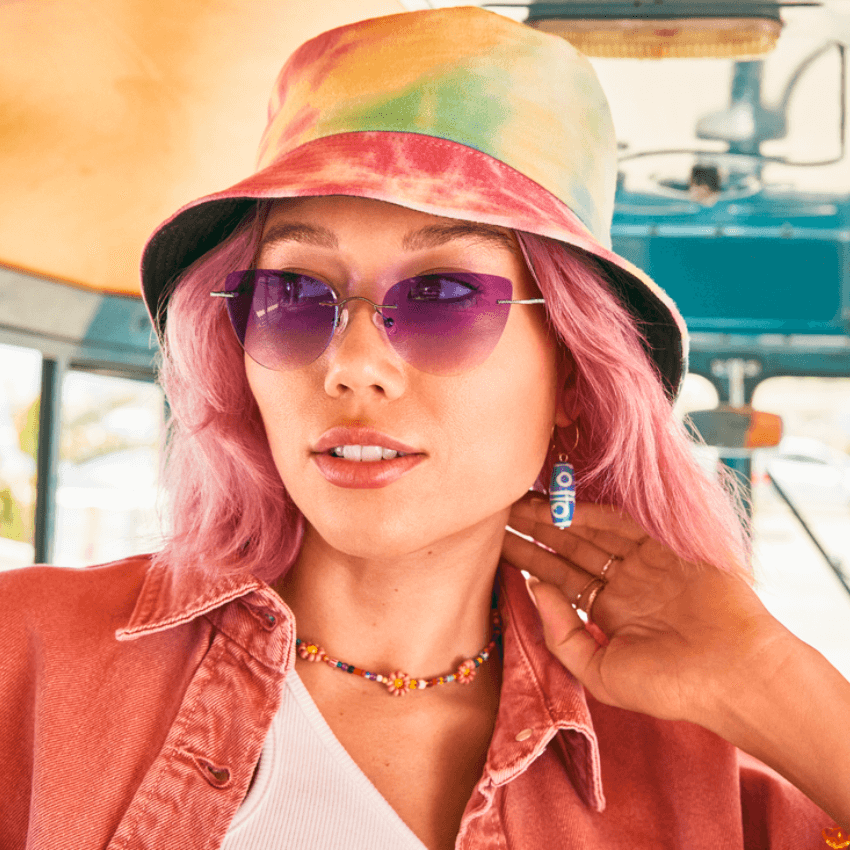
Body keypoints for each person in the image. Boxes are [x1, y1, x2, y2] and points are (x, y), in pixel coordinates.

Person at [2, 7, 848, 850]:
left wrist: (772, 679)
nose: (352, 364)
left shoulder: (699, 784)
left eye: (442, 297)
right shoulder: (28, 657)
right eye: (296, 296)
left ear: (573, 380)